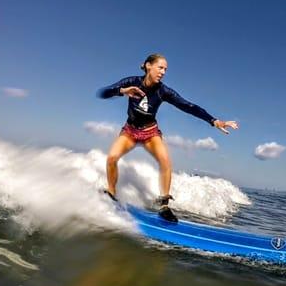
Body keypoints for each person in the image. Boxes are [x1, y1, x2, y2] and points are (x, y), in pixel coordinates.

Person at [97, 54, 238, 222]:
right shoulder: (131, 81)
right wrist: (122, 91)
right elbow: (103, 93)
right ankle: (111, 193)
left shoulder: (163, 91)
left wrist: (213, 121)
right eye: (160, 67)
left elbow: (188, 106)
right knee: (112, 158)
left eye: (165, 69)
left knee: (165, 161)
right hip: (130, 130)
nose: (163, 72)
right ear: (149, 66)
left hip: (150, 132)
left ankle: (164, 206)